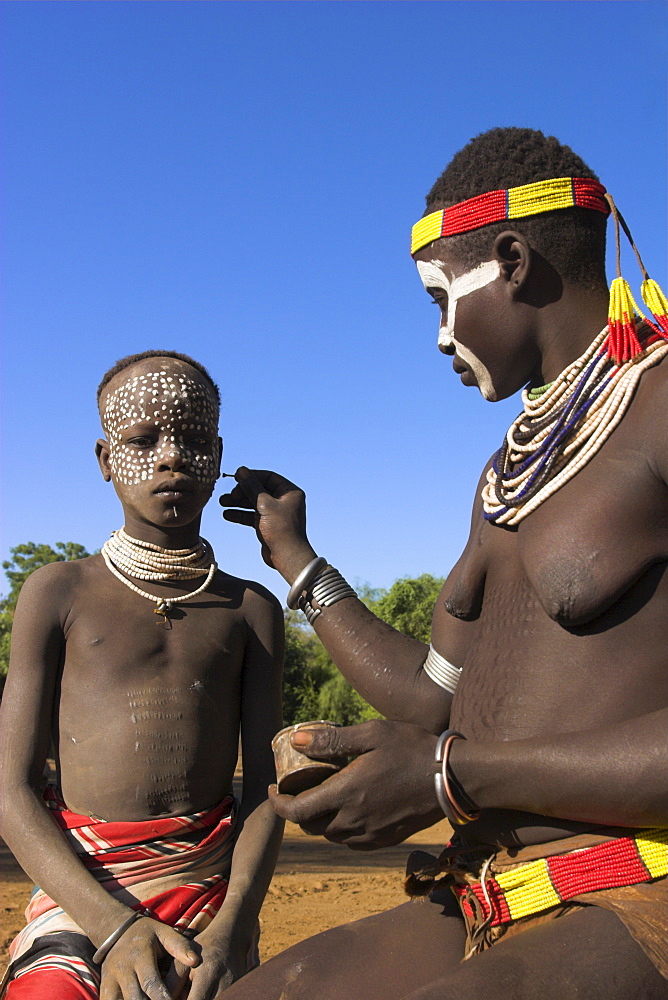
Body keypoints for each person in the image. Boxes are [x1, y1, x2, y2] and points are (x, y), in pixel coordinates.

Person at [217, 128, 668, 999]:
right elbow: (437, 697)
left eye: (437, 300)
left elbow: (445, 743)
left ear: (511, 261)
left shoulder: (658, 406)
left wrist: (446, 775)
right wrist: (299, 562)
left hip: (636, 887)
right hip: (486, 894)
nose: (436, 339)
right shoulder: (507, 474)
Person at [0, 350, 285, 1000]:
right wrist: (111, 929)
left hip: (211, 897)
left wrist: (232, 931)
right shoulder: (57, 594)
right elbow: (10, 791)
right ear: (105, 460)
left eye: (190, 440)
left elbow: (268, 791)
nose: (171, 457)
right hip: (83, 894)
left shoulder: (251, 611)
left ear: (216, 455)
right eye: (142, 440)